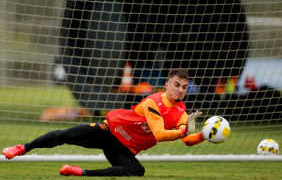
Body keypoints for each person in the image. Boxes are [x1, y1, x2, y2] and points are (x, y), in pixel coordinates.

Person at [2, 69, 206, 177]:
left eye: (185, 87)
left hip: (124, 148)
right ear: (167, 85)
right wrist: (183, 131)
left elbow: (186, 139)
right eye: (176, 85)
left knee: (137, 171)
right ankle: (22, 148)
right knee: (63, 135)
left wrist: (202, 136)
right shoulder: (154, 102)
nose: (180, 90)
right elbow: (160, 134)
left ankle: (79, 172)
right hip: (108, 132)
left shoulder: (182, 112)